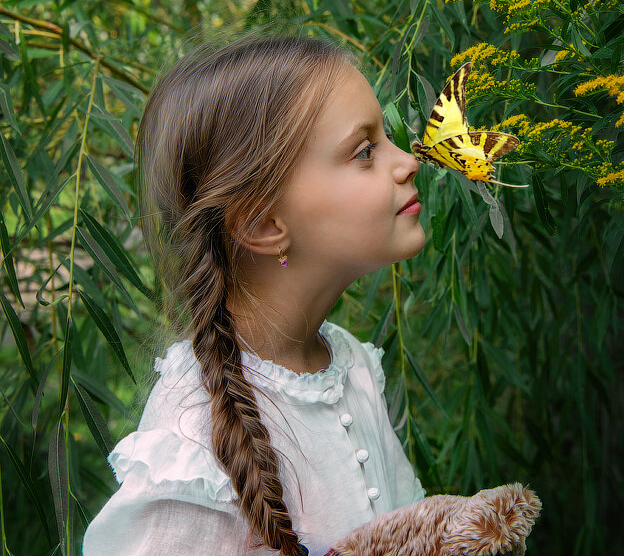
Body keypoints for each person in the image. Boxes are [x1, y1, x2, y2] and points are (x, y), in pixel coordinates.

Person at [83, 35, 427, 556]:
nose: (408, 161)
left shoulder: (351, 366)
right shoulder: (193, 434)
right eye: (365, 152)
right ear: (264, 223)